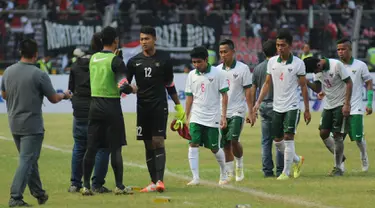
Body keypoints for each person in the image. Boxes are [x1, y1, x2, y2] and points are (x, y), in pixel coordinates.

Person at [1, 38, 71, 207]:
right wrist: (65, 95)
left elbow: (3, 94)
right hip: (31, 125)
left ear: (20, 53)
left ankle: (39, 193)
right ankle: (15, 197)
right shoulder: (38, 74)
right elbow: (53, 98)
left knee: (29, 159)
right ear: (36, 54)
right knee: (27, 160)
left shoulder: (8, 71)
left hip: (14, 123)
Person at [126, 26, 185, 193]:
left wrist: (178, 105)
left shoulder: (165, 60)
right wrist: (128, 88)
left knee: (158, 140)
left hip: (159, 105)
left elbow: (169, 84)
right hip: (142, 107)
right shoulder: (134, 62)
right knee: (147, 144)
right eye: (142, 39)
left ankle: (160, 180)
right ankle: (153, 181)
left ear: (154, 39)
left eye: (147, 39)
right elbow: (124, 84)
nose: (143, 42)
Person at [81, 26, 137, 195]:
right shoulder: (116, 61)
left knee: (91, 148)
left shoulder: (93, 58)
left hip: (94, 106)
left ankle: (85, 186)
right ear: (115, 41)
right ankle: (119, 186)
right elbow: (123, 86)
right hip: (111, 106)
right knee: (115, 148)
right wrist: (133, 89)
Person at [253, 29, 310, 180]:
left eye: (283, 45)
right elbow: (266, 84)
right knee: (277, 141)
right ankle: (297, 160)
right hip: (277, 107)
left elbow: (304, 86)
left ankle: (285, 172)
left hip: (292, 106)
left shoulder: (298, 63)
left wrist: (307, 109)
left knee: (288, 137)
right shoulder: (272, 62)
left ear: (290, 46)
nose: (279, 48)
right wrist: (257, 102)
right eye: (278, 45)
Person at [315, 38, 372, 172]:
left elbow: (369, 83)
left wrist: (369, 103)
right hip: (338, 106)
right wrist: (323, 92)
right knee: (337, 137)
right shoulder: (335, 65)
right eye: (338, 49)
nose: (340, 52)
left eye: (343, 49)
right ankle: (340, 164)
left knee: (358, 138)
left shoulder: (360, 65)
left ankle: (364, 157)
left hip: (355, 106)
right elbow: (331, 84)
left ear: (350, 50)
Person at [67, 33, 111, 194]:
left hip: (79, 110)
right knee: (102, 147)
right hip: (97, 108)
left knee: (79, 146)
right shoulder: (102, 63)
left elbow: (71, 88)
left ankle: (75, 183)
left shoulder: (76, 65)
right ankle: (97, 184)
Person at [185, 46, 229, 185]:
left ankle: (224, 172)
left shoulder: (218, 73)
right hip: (196, 116)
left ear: (206, 60)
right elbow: (189, 98)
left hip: (212, 118)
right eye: (194, 62)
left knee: (214, 148)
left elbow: (224, 95)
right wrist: (186, 117)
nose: (196, 65)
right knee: (193, 144)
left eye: (199, 62)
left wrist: (223, 116)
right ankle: (196, 178)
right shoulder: (191, 75)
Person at [304, 56, 352, 176]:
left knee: (337, 135)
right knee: (323, 133)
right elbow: (317, 88)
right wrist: (305, 81)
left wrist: (347, 104)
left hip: (340, 104)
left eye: (315, 71)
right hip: (328, 105)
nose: (316, 74)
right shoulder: (317, 70)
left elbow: (349, 83)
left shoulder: (336, 65)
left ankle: (337, 168)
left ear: (319, 65)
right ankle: (340, 157)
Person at [217, 39, 253, 182]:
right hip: (222, 112)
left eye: (225, 51)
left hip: (238, 110)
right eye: (221, 52)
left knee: (233, 140)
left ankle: (239, 166)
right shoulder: (217, 70)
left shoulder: (243, 68)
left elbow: (248, 91)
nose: (223, 55)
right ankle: (230, 172)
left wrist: (251, 111)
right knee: (225, 143)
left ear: (233, 52)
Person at [250, 40, 284, 177]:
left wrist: (253, 107)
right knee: (279, 139)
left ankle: (267, 170)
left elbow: (253, 89)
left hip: (263, 105)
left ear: (263, 52)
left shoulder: (258, 68)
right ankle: (281, 169)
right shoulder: (278, 65)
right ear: (276, 51)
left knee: (266, 140)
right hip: (278, 105)